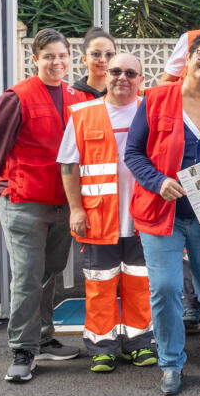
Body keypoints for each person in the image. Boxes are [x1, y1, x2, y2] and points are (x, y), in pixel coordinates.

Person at [125, 34, 200, 396]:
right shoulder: (155, 99)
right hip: (163, 212)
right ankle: (170, 361)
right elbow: (133, 153)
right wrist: (157, 181)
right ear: (188, 58)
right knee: (165, 288)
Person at [0, 28, 88, 383]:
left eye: (62, 56)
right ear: (35, 59)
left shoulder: (77, 97)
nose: (56, 62)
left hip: (64, 203)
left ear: (70, 57)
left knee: (50, 272)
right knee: (28, 276)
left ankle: (43, 336)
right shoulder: (17, 97)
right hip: (25, 200)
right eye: (49, 57)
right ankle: (22, 349)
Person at [58, 52, 156, 373]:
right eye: (116, 71)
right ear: (105, 74)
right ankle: (102, 346)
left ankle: (139, 343)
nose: (122, 78)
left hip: (144, 216)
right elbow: (69, 166)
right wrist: (75, 209)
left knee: (140, 282)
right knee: (100, 284)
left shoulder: (153, 112)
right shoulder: (83, 114)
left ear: (141, 79)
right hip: (98, 218)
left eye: (130, 72)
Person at [74, 27, 117, 98]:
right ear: (84, 59)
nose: (103, 60)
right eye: (96, 54)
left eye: (109, 54)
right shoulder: (72, 96)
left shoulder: (123, 93)